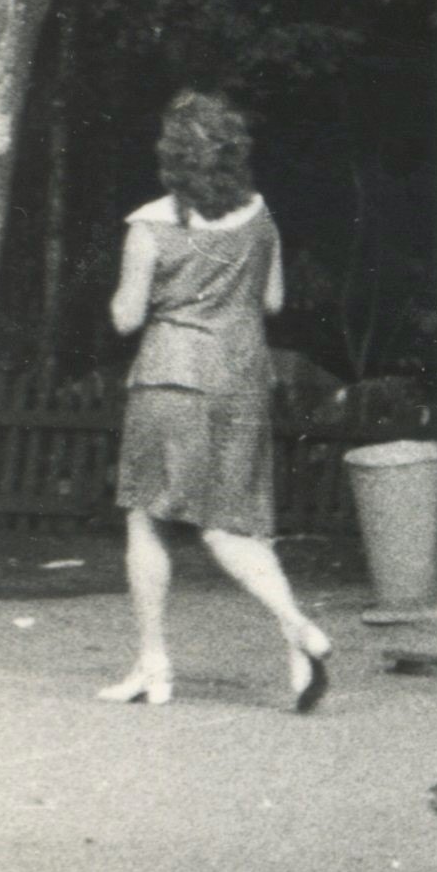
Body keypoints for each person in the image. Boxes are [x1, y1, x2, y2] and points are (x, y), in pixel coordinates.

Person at [97, 89, 336, 711]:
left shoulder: (149, 227)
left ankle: (156, 665)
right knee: (233, 521)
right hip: (242, 375)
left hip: (173, 378)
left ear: (172, 158)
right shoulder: (260, 216)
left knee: (147, 518)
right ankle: (296, 631)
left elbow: (126, 318)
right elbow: (275, 301)